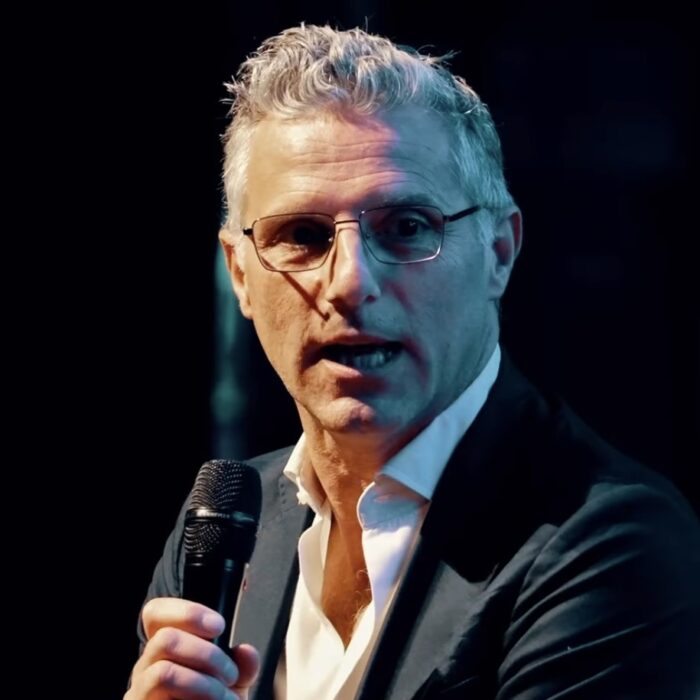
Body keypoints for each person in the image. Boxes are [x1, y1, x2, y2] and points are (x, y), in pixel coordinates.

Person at [125, 24, 700, 700]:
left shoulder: (615, 544)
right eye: (303, 235)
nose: (348, 282)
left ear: (498, 253)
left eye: (405, 227)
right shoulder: (223, 531)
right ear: (241, 275)